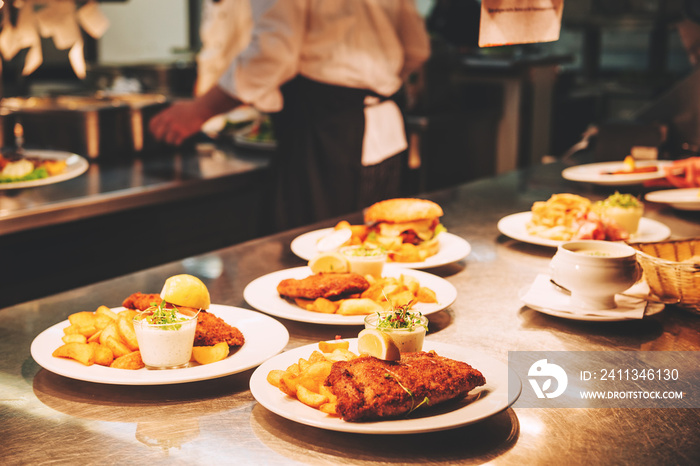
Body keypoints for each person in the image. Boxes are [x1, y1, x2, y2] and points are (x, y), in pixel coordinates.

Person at [150, 0, 431, 230]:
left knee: (317, 260)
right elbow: (416, 47)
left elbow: (274, 50)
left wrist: (201, 109)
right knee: (381, 248)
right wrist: (373, 81)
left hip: (326, 134)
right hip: (387, 130)